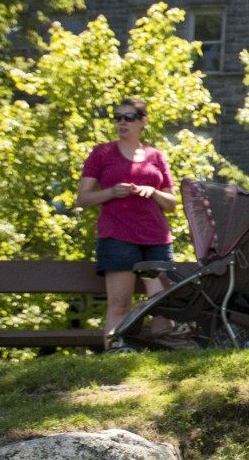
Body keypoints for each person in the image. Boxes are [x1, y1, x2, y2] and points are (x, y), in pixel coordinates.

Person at [76, 97, 181, 349]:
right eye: (118, 117)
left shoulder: (156, 156)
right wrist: (112, 192)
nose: (122, 122)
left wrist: (152, 191)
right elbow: (82, 198)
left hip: (156, 238)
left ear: (143, 121)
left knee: (162, 304)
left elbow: (172, 203)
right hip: (117, 236)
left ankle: (166, 358)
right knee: (119, 304)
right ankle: (114, 355)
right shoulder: (102, 153)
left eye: (129, 117)